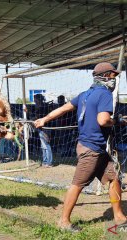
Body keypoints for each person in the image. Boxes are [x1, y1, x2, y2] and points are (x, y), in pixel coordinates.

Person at [34, 62, 127, 232]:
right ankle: (63, 221)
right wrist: (118, 121)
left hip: (94, 148)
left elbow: (63, 109)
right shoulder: (105, 94)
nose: (115, 79)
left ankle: (119, 216)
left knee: (114, 179)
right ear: (105, 76)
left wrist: (44, 119)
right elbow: (103, 120)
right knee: (77, 184)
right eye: (114, 76)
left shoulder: (84, 94)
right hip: (91, 150)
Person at [34, 94, 53, 167]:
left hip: (46, 128)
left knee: (46, 145)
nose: (34, 100)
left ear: (39, 99)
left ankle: (49, 162)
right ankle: (45, 161)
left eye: (35, 99)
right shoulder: (39, 107)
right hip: (40, 128)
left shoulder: (43, 107)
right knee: (43, 146)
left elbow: (38, 117)